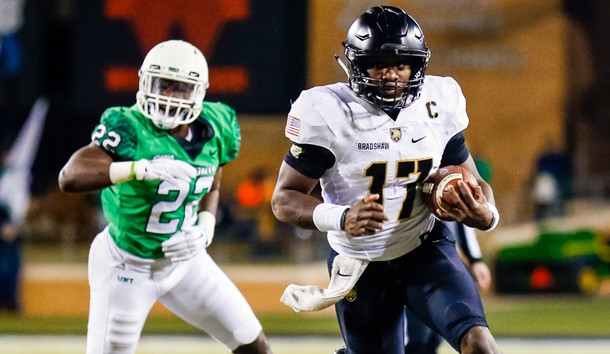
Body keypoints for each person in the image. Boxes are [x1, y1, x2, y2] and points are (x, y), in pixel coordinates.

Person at [271, 6, 501, 354]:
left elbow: (469, 176)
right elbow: (284, 199)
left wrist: (488, 212)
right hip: (361, 263)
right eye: (377, 63)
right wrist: (343, 217)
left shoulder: (436, 104)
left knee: (479, 343)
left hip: (424, 248)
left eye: (400, 64)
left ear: (417, 65)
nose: (391, 75)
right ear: (356, 66)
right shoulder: (329, 111)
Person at [58, 40, 272, 354]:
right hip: (126, 265)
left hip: (185, 261)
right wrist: (136, 169)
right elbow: (70, 176)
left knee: (255, 346)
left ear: (198, 92)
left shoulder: (218, 124)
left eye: (179, 88)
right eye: (162, 85)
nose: (167, 95)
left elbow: (212, 179)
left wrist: (206, 226)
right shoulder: (129, 126)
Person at [405, 221, 492, 354]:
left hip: (442, 255)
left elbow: (463, 215)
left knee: (437, 339)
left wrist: (475, 258)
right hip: (406, 259)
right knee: (416, 339)